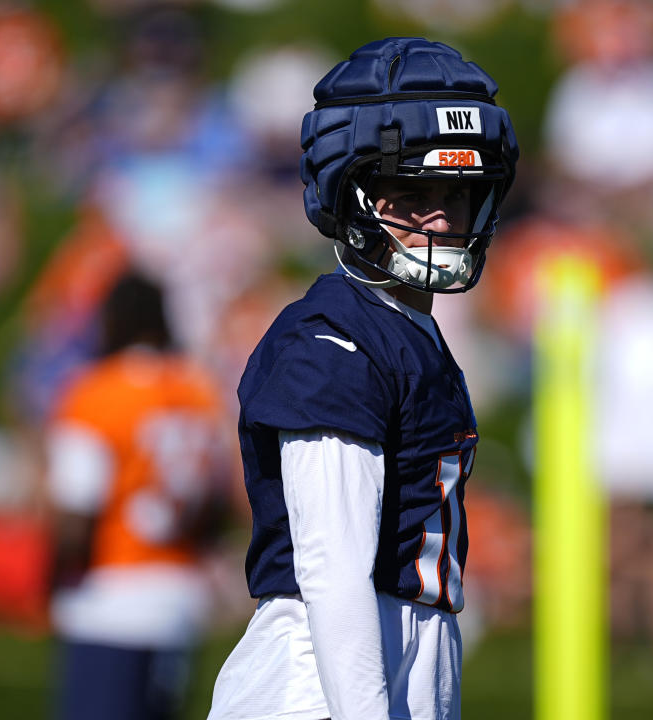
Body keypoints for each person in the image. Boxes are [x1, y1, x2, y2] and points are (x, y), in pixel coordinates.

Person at [207, 37, 518, 720]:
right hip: (320, 688)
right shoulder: (332, 342)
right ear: (350, 196)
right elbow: (334, 573)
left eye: (458, 194)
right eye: (411, 194)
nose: (439, 217)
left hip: (391, 669)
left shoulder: (410, 333)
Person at [46, 270, 228, 720]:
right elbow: (217, 502)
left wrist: (48, 580)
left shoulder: (97, 393)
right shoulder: (198, 390)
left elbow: (77, 510)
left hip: (111, 596)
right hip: (181, 598)